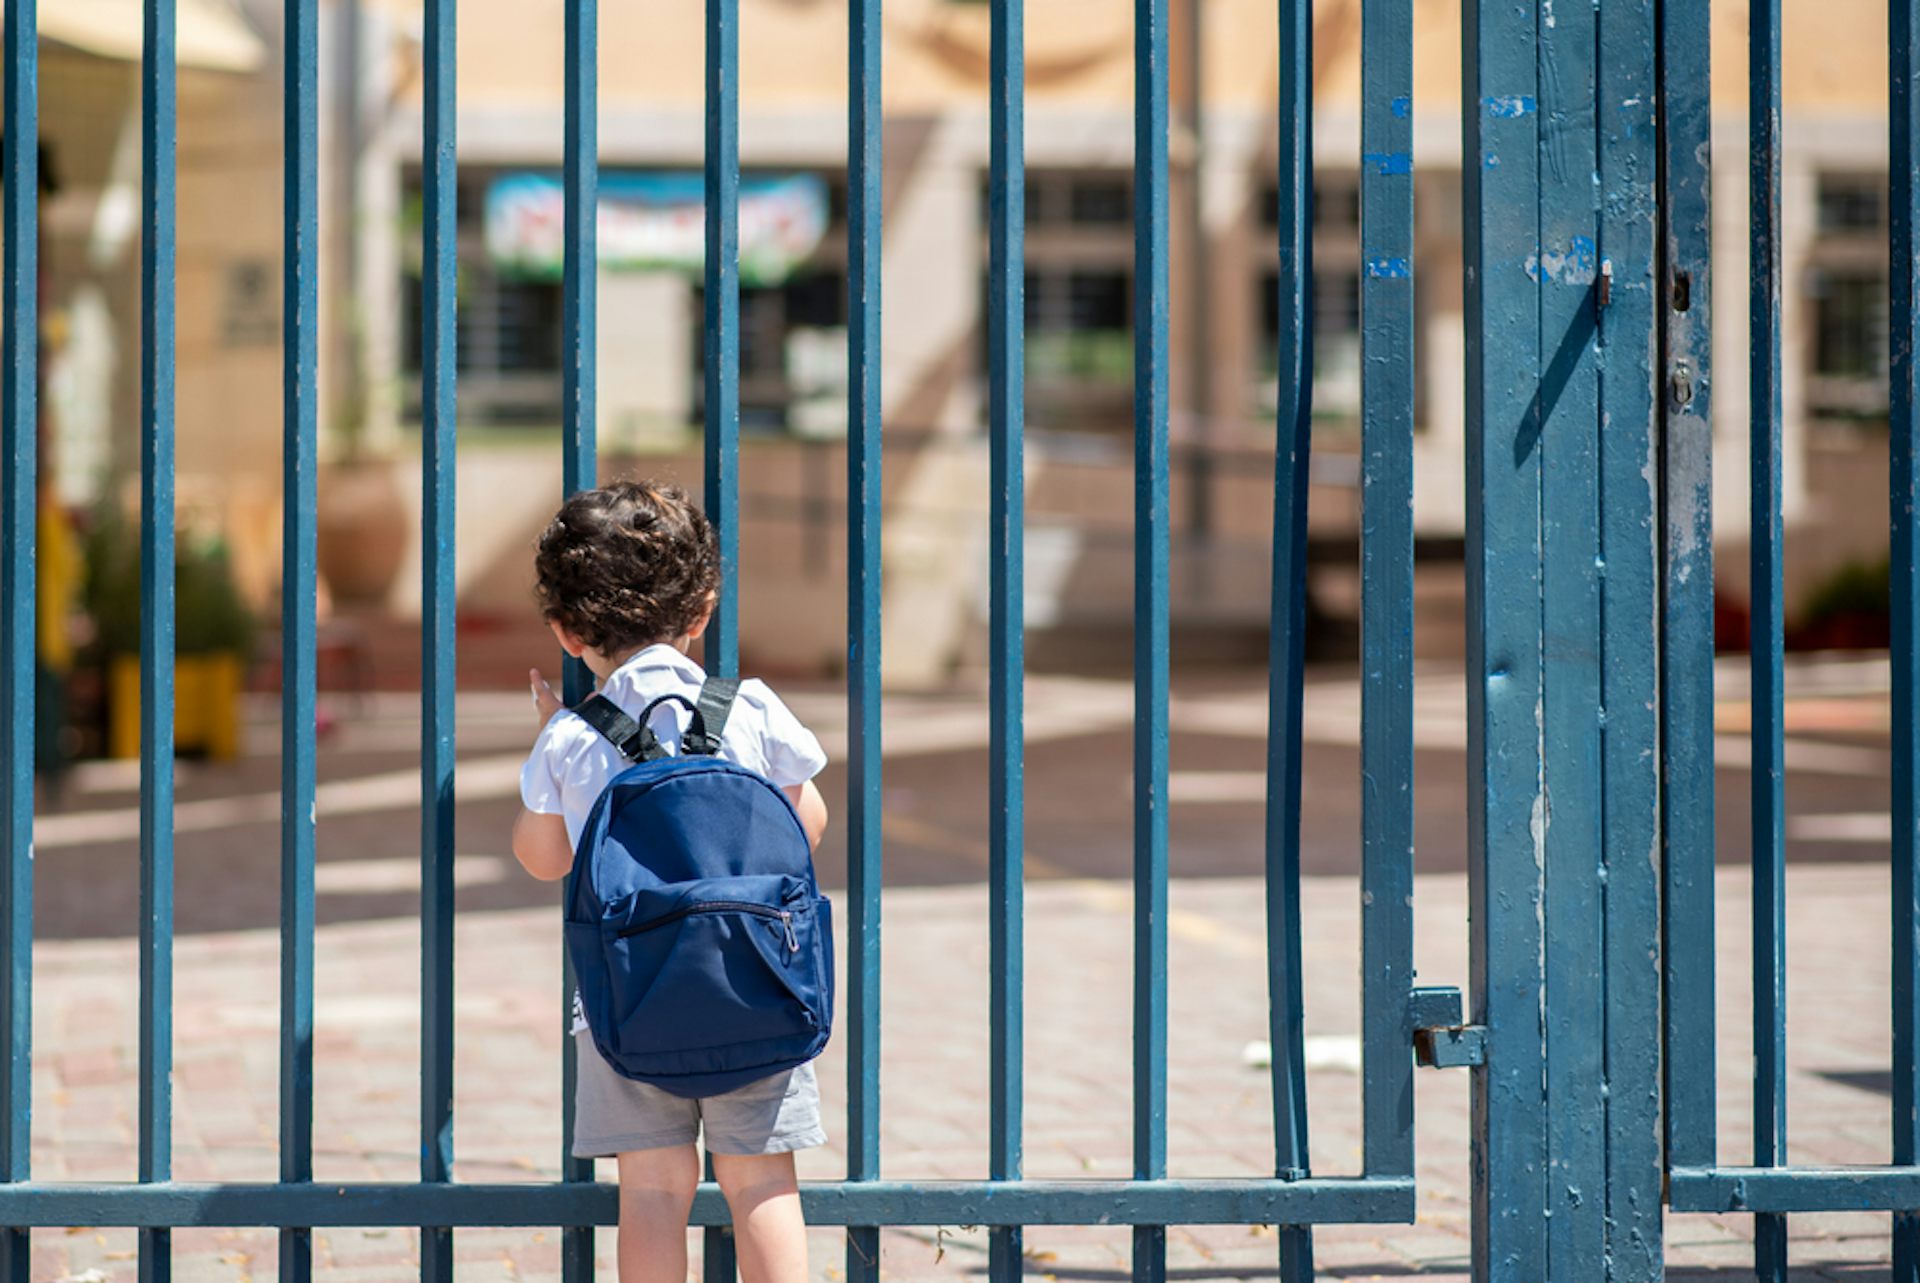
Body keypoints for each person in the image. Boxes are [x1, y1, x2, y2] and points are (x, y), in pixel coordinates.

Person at [512, 481, 829, 1283]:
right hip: (757, 985)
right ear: (703, 611)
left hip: (627, 1004)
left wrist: (550, 741)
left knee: (651, 1190)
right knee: (763, 1183)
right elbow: (808, 824)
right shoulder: (749, 706)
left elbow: (545, 858)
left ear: (565, 628)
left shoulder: (572, 737)